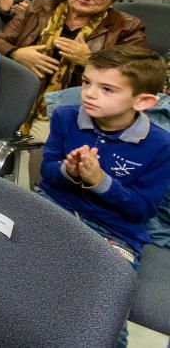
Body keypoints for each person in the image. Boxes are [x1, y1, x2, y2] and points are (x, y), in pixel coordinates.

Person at [38, 47, 170, 348]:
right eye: (86, 82)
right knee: (9, 270)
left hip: (114, 234)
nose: (89, 94)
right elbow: (48, 173)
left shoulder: (162, 146)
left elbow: (141, 210)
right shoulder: (66, 117)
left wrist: (100, 182)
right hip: (54, 207)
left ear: (144, 101)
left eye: (106, 89)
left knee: (103, 316)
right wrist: (68, 171)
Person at [0, 0, 147, 143]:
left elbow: (139, 72)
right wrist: (16, 53)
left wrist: (90, 60)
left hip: (75, 108)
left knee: (38, 149)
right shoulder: (40, 7)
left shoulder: (127, 26)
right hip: (17, 95)